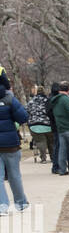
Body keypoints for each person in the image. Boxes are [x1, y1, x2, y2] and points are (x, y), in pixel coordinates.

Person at [0, 69, 31, 213]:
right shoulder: (9, 97)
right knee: (14, 175)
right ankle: (21, 203)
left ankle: (2, 206)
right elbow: (23, 118)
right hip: (10, 144)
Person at [26, 86, 51, 162]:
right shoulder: (48, 101)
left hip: (34, 125)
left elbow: (26, 111)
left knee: (40, 141)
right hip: (48, 125)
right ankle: (53, 157)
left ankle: (43, 158)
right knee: (51, 142)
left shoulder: (31, 102)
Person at [46, 82, 63, 172]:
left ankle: (56, 165)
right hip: (58, 124)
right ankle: (56, 166)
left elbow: (48, 112)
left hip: (54, 124)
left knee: (57, 145)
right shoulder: (57, 99)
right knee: (59, 146)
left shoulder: (49, 99)